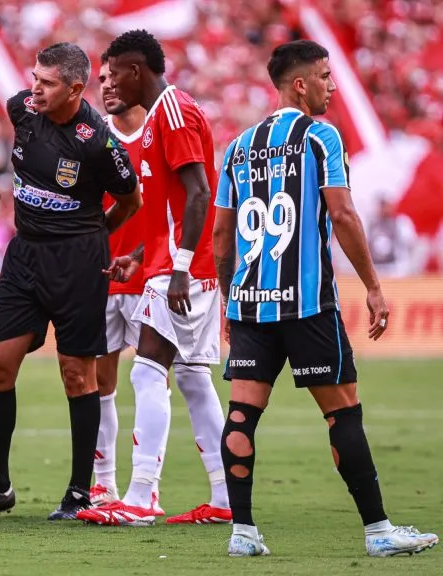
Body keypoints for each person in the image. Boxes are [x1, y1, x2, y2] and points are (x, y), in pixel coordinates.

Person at [211, 39, 438, 557]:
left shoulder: (239, 145)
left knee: (243, 415)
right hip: (307, 303)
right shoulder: (320, 137)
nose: (332, 86)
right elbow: (342, 215)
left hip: (250, 302)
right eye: (326, 77)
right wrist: (375, 287)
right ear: (300, 84)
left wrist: (230, 299)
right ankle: (379, 531)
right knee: (343, 414)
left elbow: (222, 237)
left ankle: (243, 533)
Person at [0, 42, 141, 521]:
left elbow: (131, 200)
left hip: (78, 263)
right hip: (24, 256)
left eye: (46, 83)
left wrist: (95, 238)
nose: (34, 89)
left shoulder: (97, 142)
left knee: (76, 374)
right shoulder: (21, 111)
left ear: (75, 88)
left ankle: (77, 492)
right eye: (34, 78)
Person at [80, 29, 229, 527]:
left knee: (147, 371)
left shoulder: (174, 112)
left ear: (137, 69)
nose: (109, 83)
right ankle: (225, 495)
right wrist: (142, 256)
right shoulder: (159, 118)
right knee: (190, 376)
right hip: (172, 265)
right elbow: (171, 208)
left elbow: (200, 192)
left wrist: (180, 266)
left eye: (114, 72)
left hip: (184, 271)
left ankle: (141, 495)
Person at [88, 52, 152, 509]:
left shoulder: (162, 131)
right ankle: (104, 483)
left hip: (153, 277)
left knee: (155, 383)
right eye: (100, 79)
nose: (105, 85)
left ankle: (147, 487)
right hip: (103, 277)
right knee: (101, 382)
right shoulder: (94, 138)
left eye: (112, 77)